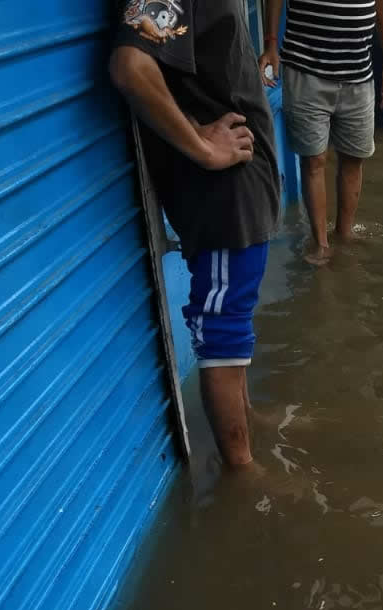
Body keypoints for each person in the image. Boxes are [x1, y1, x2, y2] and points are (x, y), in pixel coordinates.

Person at [109, 0, 281, 479]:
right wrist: (203, 146)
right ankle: (243, 476)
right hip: (224, 198)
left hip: (243, 191)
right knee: (223, 332)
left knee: (236, 321)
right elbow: (131, 66)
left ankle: (246, 420)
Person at [259, 0, 383, 264]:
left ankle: (345, 234)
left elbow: (382, 3)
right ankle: (321, 244)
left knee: (354, 158)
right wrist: (270, 44)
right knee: (313, 160)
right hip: (305, 68)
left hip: (358, 72)